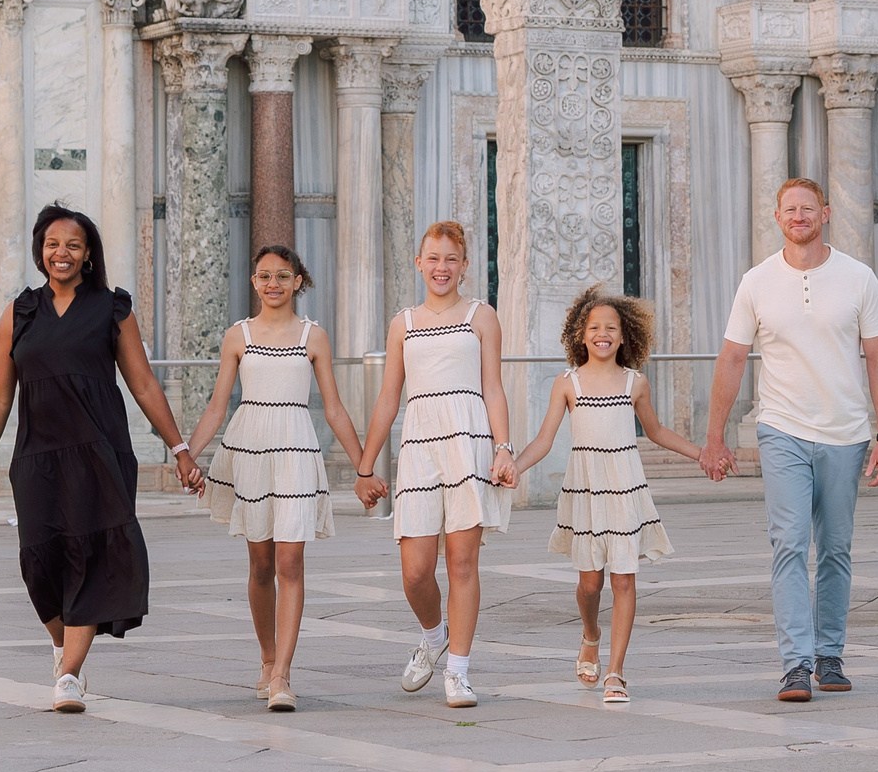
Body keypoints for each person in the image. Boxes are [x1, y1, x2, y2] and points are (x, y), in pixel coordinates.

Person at [0, 205, 190, 715]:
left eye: (72, 245)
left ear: (88, 254)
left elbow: (143, 383)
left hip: (100, 453)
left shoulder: (111, 308)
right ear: (39, 251)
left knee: (89, 557)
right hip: (37, 458)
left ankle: (69, 674)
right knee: (38, 560)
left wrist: (178, 448)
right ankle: (61, 642)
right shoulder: (19, 312)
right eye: (52, 244)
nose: (61, 253)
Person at [701, 178, 878, 703]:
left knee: (834, 548)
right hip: (781, 428)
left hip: (846, 433)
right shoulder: (756, 281)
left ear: (825, 214)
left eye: (808, 208)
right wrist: (715, 437)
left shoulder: (858, 278)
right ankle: (795, 663)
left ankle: (829, 654)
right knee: (788, 544)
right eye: (790, 209)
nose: (799, 216)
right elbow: (732, 359)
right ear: (777, 216)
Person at [176, 245, 383, 713]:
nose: (273, 284)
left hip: (295, 448)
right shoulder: (238, 336)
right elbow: (216, 406)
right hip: (249, 448)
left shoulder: (314, 336)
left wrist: (363, 469)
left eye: (282, 276)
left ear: (297, 281)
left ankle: (284, 675)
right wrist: (187, 453)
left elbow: (333, 408)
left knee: (290, 561)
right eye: (265, 276)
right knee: (261, 565)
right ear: (254, 282)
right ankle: (267, 659)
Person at [514, 288, 698, 706]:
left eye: (611, 328)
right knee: (589, 582)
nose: (602, 334)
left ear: (623, 336)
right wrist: (514, 467)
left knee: (624, 578)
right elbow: (544, 440)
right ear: (580, 334)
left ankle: (616, 672)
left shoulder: (635, 382)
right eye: (594, 327)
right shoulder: (568, 382)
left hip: (625, 487)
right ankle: (590, 635)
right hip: (586, 489)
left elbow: (656, 432)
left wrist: (700, 453)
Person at [357, 221, 515, 709]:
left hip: (469, 442)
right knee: (415, 572)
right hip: (420, 444)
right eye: (433, 257)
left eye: (451, 258)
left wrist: (503, 447)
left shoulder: (480, 316)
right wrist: (366, 466)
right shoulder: (402, 323)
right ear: (419, 262)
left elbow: (492, 387)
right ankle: (433, 634)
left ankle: (459, 672)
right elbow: (388, 397)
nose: (442, 267)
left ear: (464, 265)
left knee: (463, 563)